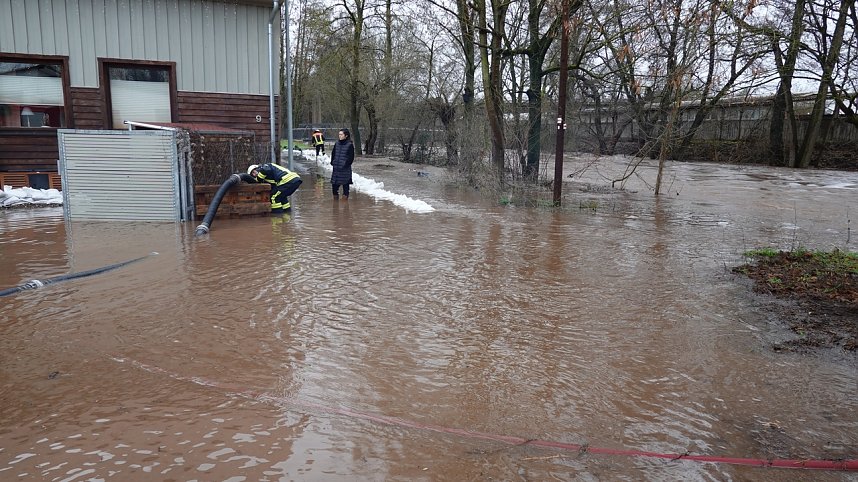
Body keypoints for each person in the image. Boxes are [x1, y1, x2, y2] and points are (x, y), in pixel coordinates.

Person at [329, 128, 355, 200]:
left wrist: (345, 165)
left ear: (346, 136)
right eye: (339, 134)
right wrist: (333, 162)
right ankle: (335, 203)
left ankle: (345, 204)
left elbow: (351, 158)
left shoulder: (349, 145)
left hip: (345, 169)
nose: (339, 136)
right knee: (334, 187)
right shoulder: (337, 144)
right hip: (336, 168)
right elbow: (333, 153)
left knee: (345, 186)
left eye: (341, 134)